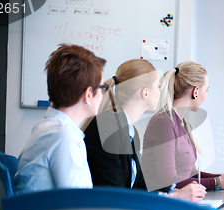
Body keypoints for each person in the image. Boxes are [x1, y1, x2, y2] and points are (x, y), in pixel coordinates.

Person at [82, 59, 206, 201]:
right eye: (157, 87)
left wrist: (172, 191)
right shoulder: (108, 127)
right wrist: (173, 197)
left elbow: (138, 184)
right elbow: (113, 195)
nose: (161, 93)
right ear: (145, 93)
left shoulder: (130, 131)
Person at [14, 44, 106, 194]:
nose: (103, 95)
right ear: (88, 94)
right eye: (102, 88)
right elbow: (78, 204)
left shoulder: (50, 127)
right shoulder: (63, 135)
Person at [142, 61, 224, 192]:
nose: (206, 96)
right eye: (206, 90)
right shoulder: (163, 123)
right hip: (163, 202)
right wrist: (217, 182)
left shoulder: (182, 123)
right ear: (195, 91)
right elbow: (169, 181)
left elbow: (190, 173)